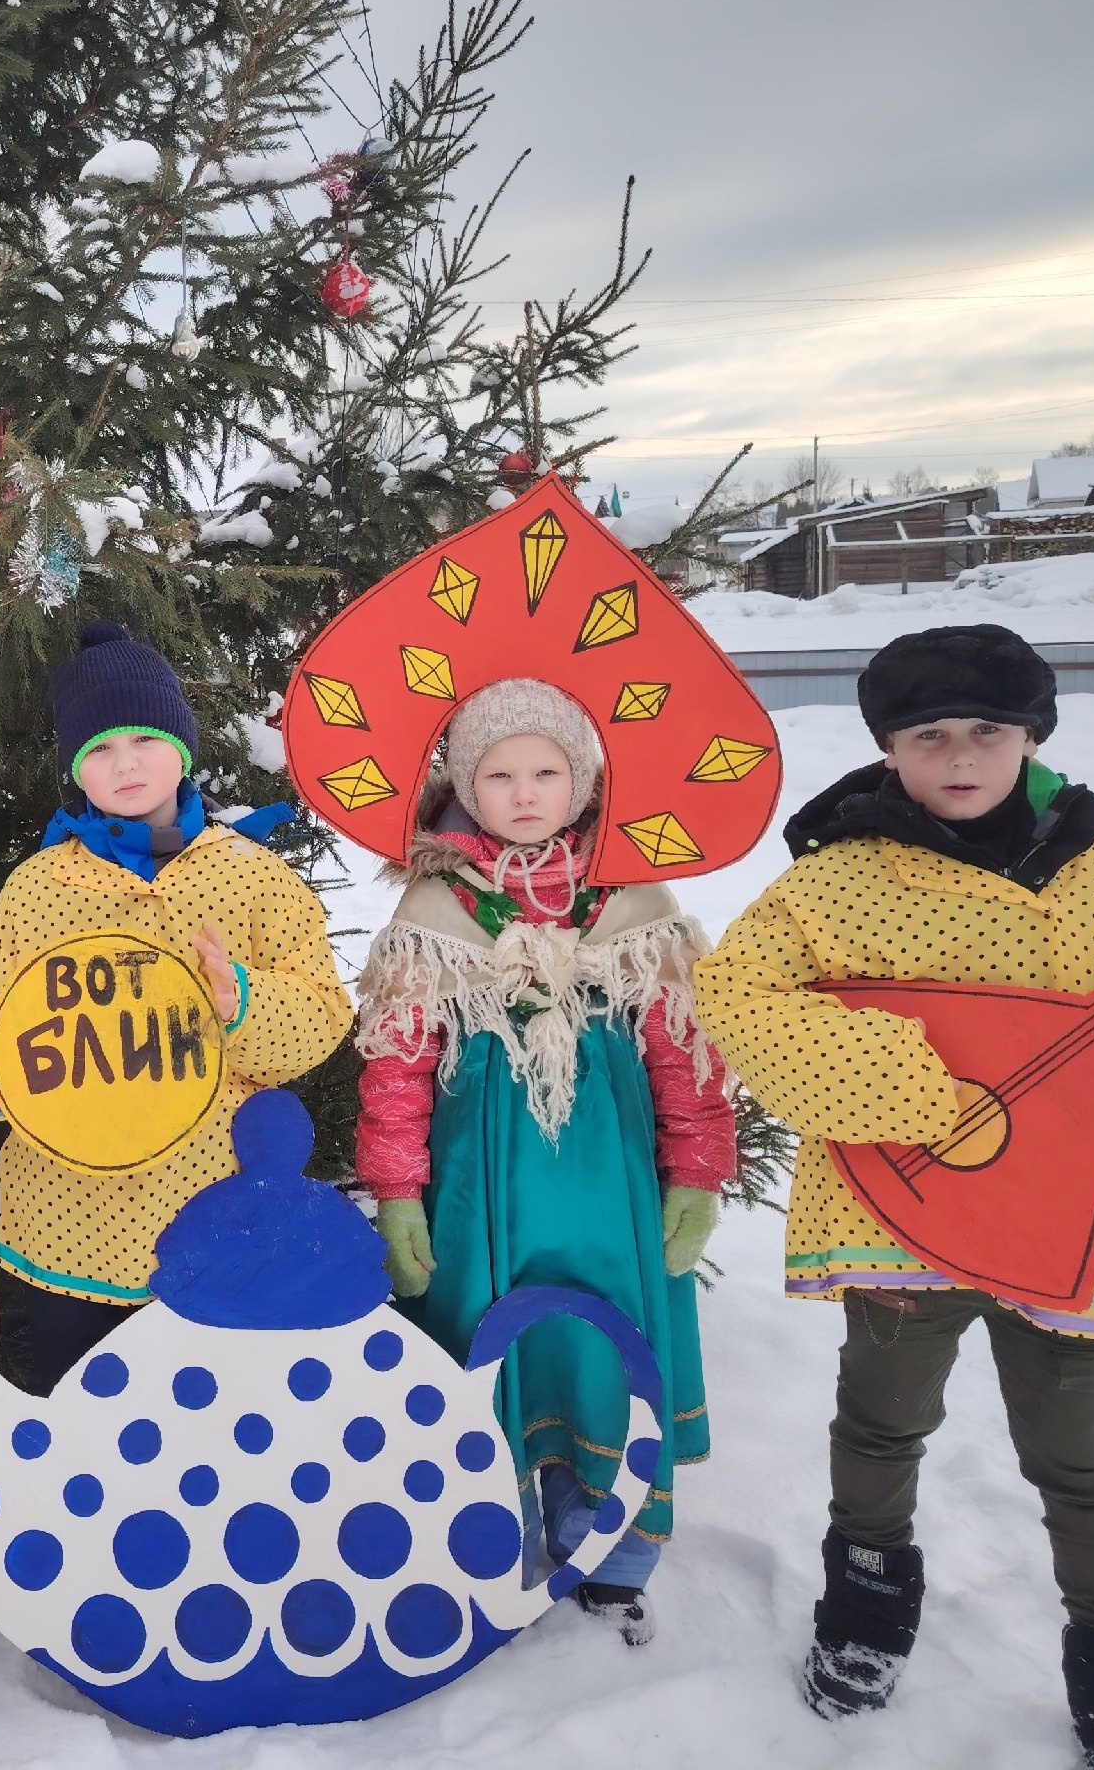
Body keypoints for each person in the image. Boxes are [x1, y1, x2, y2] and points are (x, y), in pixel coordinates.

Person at [694, 624, 1094, 1770]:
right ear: (888, 748)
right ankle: (867, 1595)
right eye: (926, 734)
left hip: (1073, 1225)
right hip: (902, 1218)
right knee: (881, 1424)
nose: (958, 755)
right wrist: (900, 1084)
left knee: (1083, 1458)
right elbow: (737, 994)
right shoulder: (836, 884)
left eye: (985, 731)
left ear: (1030, 736)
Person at [348, 678, 733, 1647]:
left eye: (546, 772)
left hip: (607, 1190)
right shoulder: (436, 911)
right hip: (486, 1187)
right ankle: (489, 1528)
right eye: (499, 773)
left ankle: (605, 1538)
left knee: (605, 1338)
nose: (524, 793)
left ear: (583, 778)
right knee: (487, 1333)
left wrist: (695, 1168)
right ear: (467, 789)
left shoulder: (631, 901)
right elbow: (397, 1064)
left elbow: (683, 1051)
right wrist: (396, 1190)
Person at [0, 620, 351, 1391]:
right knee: (80, 1414)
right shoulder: (42, 887)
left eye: (143, 740)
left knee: (211, 1420)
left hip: (212, 1204)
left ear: (183, 746)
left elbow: (322, 1011)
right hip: (68, 1216)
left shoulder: (251, 879)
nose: (125, 764)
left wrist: (243, 1003)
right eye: (98, 749)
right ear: (75, 769)